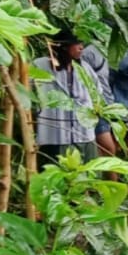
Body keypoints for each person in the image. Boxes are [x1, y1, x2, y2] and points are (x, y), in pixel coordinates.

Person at [31, 29, 103, 167]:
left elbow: (97, 92)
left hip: (83, 134)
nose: (81, 47)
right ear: (63, 46)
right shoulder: (40, 66)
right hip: (54, 135)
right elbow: (28, 91)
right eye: (76, 44)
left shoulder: (84, 68)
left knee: (87, 176)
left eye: (81, 43)